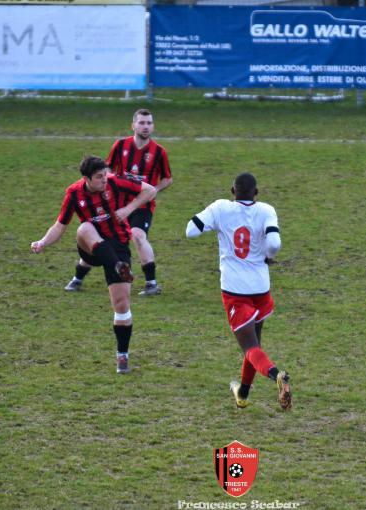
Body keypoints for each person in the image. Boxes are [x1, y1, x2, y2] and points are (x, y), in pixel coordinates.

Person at [31, 156, 156, 374]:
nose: (104, 180)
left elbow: (150, 190)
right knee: (84, 228)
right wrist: (42, 242)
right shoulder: (73, 193)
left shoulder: (115, 181)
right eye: (99, 177)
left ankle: (122, 356)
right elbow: (60, 226)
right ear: (86, 179)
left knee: (121, 305)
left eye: (105, 175)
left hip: (117, 247)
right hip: (91, 246)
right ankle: (117, 266)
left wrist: (129, 209)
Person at [185, 172, 292, 411]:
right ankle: (242, 394)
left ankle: (277, 374)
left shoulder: (221, 208)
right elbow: (274, 243)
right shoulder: (266, 210)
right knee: (255, 345)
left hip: (235, 290)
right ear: (256, 193)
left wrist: (213, 221)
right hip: (261, 288)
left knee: (250, 349)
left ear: (232, 191)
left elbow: (190, 231)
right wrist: (268, 256)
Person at [64, 109, 172, 296]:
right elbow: (107, 170)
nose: (146, 126)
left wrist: (153, 190)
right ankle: (78, 278)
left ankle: (151, 283)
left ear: (153, 126)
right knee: (101, 240)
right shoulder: (120, 146)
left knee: (138, 235)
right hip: (115, 205)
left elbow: (167, 179)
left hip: (141, 205)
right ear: (133, 125)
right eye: (142, 122)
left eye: (149, 123)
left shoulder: (159, 152)